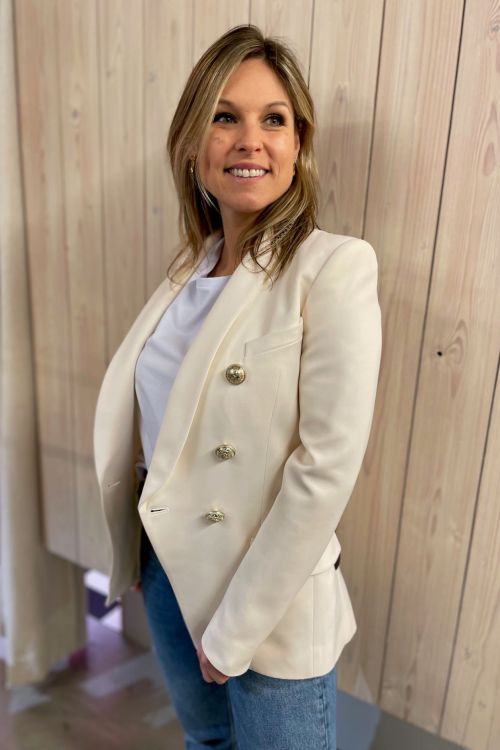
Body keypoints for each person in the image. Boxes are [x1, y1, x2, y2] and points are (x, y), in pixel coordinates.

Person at [93, 23, 382, 750]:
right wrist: (137, 545)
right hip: (166, 567)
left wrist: (235, 631)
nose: (251, 140)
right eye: (226, 116)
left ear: (297, 144)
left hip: (267, 597)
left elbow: (324, 469)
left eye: (273, 119)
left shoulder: (333, 266)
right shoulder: (185, 272)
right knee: (207, 742)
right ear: (195, 143)